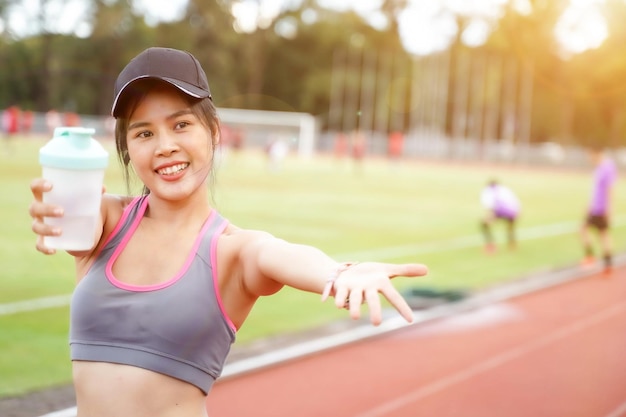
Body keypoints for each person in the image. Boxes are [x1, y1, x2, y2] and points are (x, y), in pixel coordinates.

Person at [28, 47, 428, 417]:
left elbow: (280, 254)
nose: (164, 146)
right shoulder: (106, 222)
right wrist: (53, 213)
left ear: (214, 132)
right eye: (144, 133)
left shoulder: (233, 251)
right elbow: (65, 216)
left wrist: (339, 273)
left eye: (181, 124)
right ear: (128, 148)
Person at [580, 146, 617, 274]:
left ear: (597, 153)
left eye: (590, 154)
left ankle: (596, 260)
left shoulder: (607, 167)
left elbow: (610, 189)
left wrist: (609, 208)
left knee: (602, 234)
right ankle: (604, 263)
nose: (589, 158)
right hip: (595, 207)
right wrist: (589, 206)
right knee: (596, 233)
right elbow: (595, 190)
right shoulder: (598, 168)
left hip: (601, 208)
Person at [479, 179, 520, 253]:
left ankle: (491, 245)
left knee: (484, 224)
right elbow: (515, 201)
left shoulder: (488, 191)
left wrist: (489, 217)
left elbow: (490, 206)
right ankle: (512, 244)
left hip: (499, 210)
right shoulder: (505, 189)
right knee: (510, 228)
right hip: (513, 210)